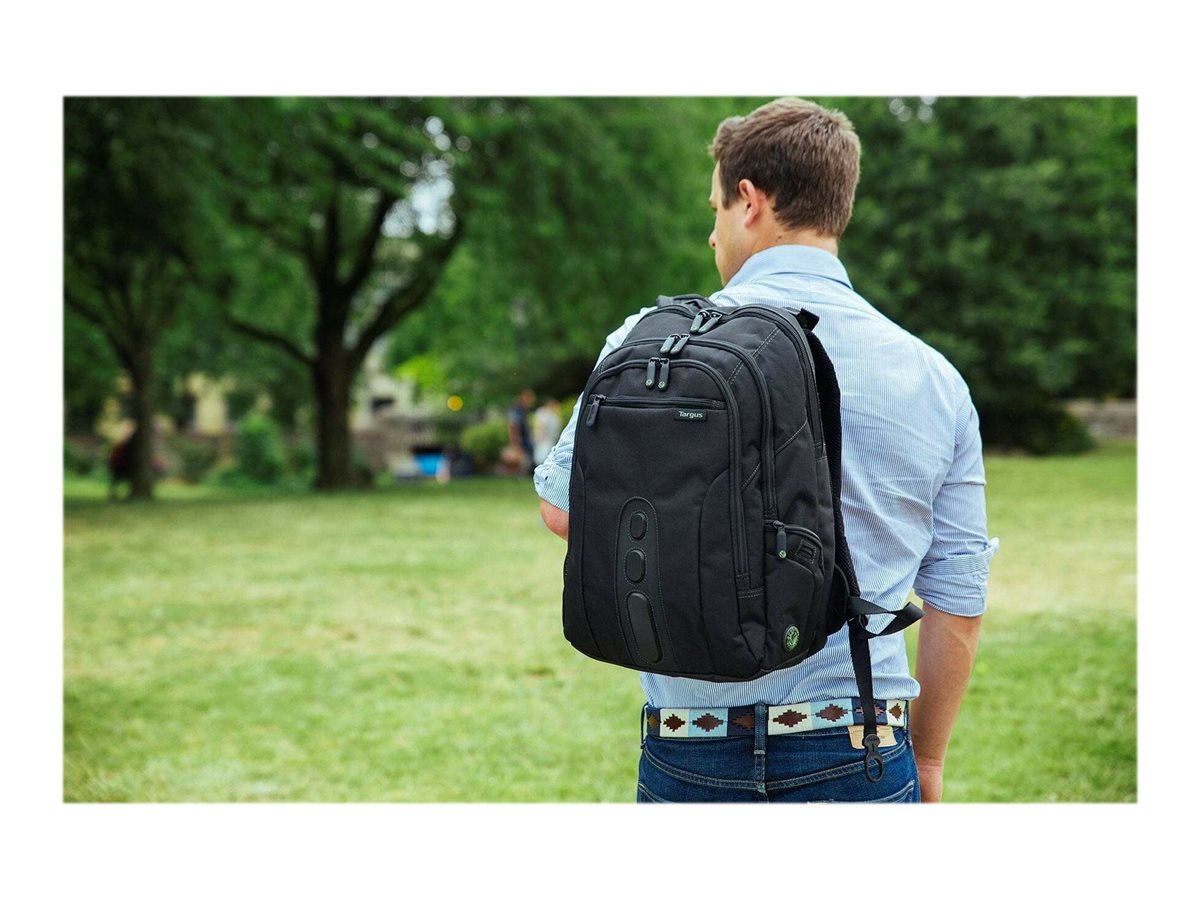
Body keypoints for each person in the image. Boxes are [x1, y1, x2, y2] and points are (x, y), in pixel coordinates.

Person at [533, 98, 998, 803]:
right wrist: (927, 761)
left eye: (715, 209)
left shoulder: (650, 341)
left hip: (689, 741)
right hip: (859, 744)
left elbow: (563, 511)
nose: (712, 233)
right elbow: (957, 595)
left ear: (748, 201)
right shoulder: (931, 376)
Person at [507, 389, 536, 476]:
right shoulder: (516, 410)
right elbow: (513, 426)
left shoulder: (523, 410)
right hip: (520, 439)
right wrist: (515, 442)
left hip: (525, 439)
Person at [531, 397, 562, 466]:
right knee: (542, 459)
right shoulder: (543, 413)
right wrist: (540, 439)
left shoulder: (553, 415)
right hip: (544, 440)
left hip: (551, 440)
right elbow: (541, 426)